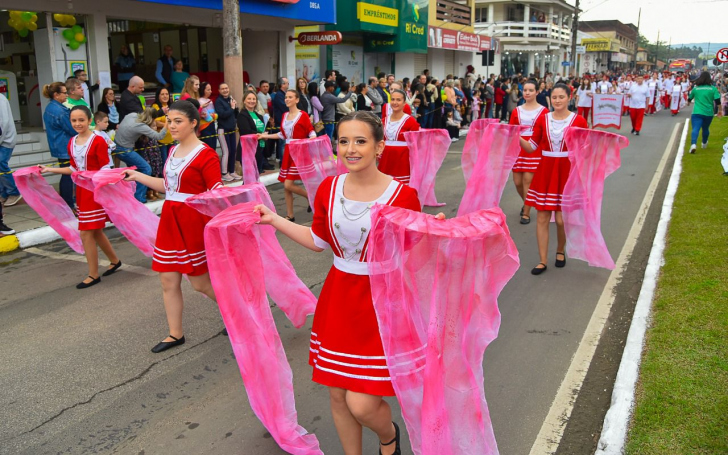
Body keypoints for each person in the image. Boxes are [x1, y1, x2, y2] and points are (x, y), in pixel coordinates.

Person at [254, 110, 430, 455]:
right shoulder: (328, 188)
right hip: (338, 299)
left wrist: (433, 230)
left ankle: (387, 436)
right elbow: (319, 240)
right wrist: (274, 219)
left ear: (380, 147)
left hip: (379, 305)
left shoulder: (403, 196)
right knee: (337, 394)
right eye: (344, 141)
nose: (351, 149)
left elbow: (417, 256)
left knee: (363, 404)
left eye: (361, 141)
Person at [123, 100, 223, 353]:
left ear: (193, 123)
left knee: (200, 284)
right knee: (168, 280)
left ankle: (237, 313)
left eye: (178, 121)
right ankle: (175, 334)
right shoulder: (172, 152)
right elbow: (169, 188)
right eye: (169, 121)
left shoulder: (206, 154)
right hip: (170, 220)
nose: (172, 125)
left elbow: (217, 192)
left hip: (193, 223)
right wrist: (136, 175)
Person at [39, 106, 121, 289]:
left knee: (86, 232)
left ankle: (93, 274)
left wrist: (97, 182)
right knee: (95, 230)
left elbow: (106, 168)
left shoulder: (98, 141)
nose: (77, 124)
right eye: (74, 120)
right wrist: (49, 169)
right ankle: (115, 261)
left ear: (89, 120)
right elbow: (74, 170)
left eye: (81, 120)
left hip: (95, 191)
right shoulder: (72, 142)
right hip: (82, 191)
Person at [521, 83, 588, 275]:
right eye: (555, 97)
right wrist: (514, 135)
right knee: (542, 217)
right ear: (550, 98)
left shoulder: (579, 121)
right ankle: (542, 260)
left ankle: (560, 249)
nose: (558, 100)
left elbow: (585, 149)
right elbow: (531, 146)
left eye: (561, 97)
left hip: (566, 172)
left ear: (569, 98)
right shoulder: (543, 119)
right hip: (546, 170)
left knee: (560, 219)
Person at [257, 90, 316, 220]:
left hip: (299, 152)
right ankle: (290, 215)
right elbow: (282, 135)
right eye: (286, 97)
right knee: (287, 186)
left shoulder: (303, 115)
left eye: (290, 97)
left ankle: (311, 197)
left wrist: (309, 140)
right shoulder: (284, 115)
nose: (287, 99)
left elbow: (312, 132)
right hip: (288, 151)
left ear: (297, 100)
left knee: (288, 184)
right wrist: (265, 136)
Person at [511, 80, 548, 225]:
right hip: (518, 147)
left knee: (528, 181)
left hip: (534, 147)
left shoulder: (544, 111)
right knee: (518, 182)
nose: (527, 93)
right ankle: (527, 203)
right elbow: (511, 130)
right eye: (525, 90)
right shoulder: (517, 110)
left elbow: (546, 132)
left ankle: (526, 213)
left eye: (531, 90)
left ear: (537, 92)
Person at [115, 108, 168, 203]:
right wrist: (166, 125)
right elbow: (159, 136)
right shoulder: (141, 126)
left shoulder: (131, 114)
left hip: (116, 146)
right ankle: (138, 197)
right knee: (146, 169)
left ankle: (131, 194)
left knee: (133, 170)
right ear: (151, 119)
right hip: (125, 150)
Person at [42, 82, 76, 209]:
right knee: (68, 175)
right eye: (64, 92)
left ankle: (68, 202)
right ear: (56, 95)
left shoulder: (51, 107)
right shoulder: (59, 111)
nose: (67, 95)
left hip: (60, 145)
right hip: (64, 146)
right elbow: (72, 129)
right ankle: (69, 204)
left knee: (67, 174)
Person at [378, 89, 420, 185]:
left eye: (398, 100)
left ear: (404, 103)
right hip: (386, 160)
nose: (395, 102)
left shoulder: (411, 121)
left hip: (403, 162)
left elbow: (416, 144)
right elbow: (379, 140)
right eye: (392, 99)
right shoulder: (383, 121)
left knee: (402, 189)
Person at [688, 71, 722, 154]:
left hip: (697, 112)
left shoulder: (696, 88)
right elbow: (717, 101)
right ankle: (704, 143)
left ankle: (693, 145)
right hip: (708, 113)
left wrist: (688, 102)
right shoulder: (713, 89)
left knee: (695, 128)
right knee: (705, 128)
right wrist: (720, 111)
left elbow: (689, 98)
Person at [237, 91, 271, 174]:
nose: (251, 101)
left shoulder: (258, 115)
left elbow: (264, 128)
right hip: (247, 149)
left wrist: (266, 134)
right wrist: (262, 135)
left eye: (253, 99)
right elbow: (246, 131)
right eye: (249, 99)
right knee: (249, 177)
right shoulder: (242, 115)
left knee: (256, 175)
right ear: (244, 101)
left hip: (259, 148)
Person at [215, 83, 242, 182]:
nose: (225, 90)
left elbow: (235, 114)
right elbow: (222, 115)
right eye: (222, 89)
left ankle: (232, 171)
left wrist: (235, 107)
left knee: (233, 150)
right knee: (226, 152)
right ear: (219, 91)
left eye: (226, 88)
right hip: (223, 130)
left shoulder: (230, 99)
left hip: (232, 129)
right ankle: (224, 173)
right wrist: (231, 108)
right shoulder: (218, 101)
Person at [0, 94, 21, 207]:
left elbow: (3, 123)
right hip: (3, 139)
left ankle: (13, 192)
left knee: (1, 165)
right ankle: (3, 193)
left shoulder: (1, 100)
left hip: (6, 140)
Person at [152, 87, 173, 162]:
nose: (165, 96)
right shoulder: (155, 106)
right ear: (158, 96)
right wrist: (168, 124)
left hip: (172, 138)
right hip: (161, 140)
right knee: (165, 162)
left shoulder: (171, 106)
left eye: (167, 94)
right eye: (162, 94)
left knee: (172, 161)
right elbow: (155, 122)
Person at [272, 78, 290, 162]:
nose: (288, 85)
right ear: (282, 85)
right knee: (282, 143)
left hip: (285, 121)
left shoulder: (283, 94)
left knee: (285, 143)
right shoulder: (279, 95)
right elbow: (285, 107)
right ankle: (283, 162)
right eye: (287, 83)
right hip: (281, 122)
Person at [197, 81, 218, 152]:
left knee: (213, 147)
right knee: (208, 149)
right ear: (203, 90)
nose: (211, 91)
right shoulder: (200, 101)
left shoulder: (210, 101)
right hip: (205, 127)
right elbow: (208, 118)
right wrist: (213, 116)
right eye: (208, 90)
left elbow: (216, 115)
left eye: (210, 89)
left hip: (212, 126)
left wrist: (213, 116)